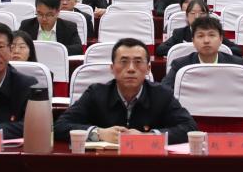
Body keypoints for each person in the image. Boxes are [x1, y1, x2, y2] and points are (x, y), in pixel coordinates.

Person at [55, 38, 197, 145]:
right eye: (123, 62)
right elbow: (60, 126)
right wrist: (99, 133)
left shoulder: (161, 94)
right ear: (112, 68)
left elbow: (189, 127)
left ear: (148, 69)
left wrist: (148, 137)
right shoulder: (96, 93)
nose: (130, 69)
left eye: (138, 62)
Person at [162, 16, 243, 89]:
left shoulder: (236, 65)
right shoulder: (180, 65)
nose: (206, 41)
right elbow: (165, 92)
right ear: (193, 41)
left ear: (221, 39)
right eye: (200, 36)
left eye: (211, 35)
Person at [156, 0, 242, 58]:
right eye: (193, 13)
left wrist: (212, 48)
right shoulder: (180, 33)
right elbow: (160, 49)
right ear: (187, 16)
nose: (197, 17)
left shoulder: (214, 33)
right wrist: (188, 50)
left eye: (201, 13)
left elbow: (238, 51)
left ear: (207, 15)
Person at [18, 0, 82, 55]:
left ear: (58, 12)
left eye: (49, 15)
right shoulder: (27, 25)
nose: (44, 19)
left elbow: (78, 49)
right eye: (40, 14)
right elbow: (17, 46)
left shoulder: (69, 27)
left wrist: (52, 50)